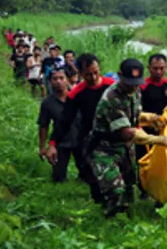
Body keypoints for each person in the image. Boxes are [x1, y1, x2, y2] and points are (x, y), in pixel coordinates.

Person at [87, 58, 167, 217]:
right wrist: (157, 140)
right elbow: (128, 132)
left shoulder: (136, 90)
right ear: (119, 76)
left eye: (136, 82)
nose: (133, 86)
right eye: (129, 82)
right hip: (105, 148)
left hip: (124, 147)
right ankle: (110, 220)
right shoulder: (111, 97)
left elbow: (134, 116)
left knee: (129, 187)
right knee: (115, 188)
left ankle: (126, 217)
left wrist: (152, 119)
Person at [46, 53, 116, 203]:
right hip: (90, 137)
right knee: (92, 174)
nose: (94, 77)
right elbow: (64, 121)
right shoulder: (77, 93)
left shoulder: (112, 87)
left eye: (96, 72)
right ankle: (101, 203)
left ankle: (119, 202)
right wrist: (52, 144)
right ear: (81, 74)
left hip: (114, 136)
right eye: (88, 74)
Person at [137, 54, 167, 199]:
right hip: (145, 131)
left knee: (162, 162)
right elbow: (137, 110)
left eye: (162, 68)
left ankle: (160, 191)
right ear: (149, 68)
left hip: (164, 131)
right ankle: (143, 189)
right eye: (155, 69)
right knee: (144, 160)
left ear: (166, 68)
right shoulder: (142, 86)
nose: (159, 72)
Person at [38, 68, 83, 182]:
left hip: (81, 139)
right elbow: (44, 124)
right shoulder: (47, 103)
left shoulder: (78, 96)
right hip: (61, 141)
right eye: (55, 79)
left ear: (67, 80)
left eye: (61, 78)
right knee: (58, 178)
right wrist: (43, 147)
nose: (58, 81)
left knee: (87, 174)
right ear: (50, 81)